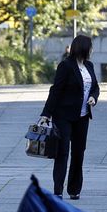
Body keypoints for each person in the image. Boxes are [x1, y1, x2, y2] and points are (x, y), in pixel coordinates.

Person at [38, 34, 99, 200]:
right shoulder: (65, 66)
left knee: (79, 153)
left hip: (83, 116)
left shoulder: (90, 66)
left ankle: (74, 189)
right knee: (62, 152)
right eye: (91, 47)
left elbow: (95, 87)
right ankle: (58, 190)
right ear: (83, 48)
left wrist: (94, 97)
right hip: (63, 115)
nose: (92, 50)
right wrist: (46, 114)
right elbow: (55, 90)